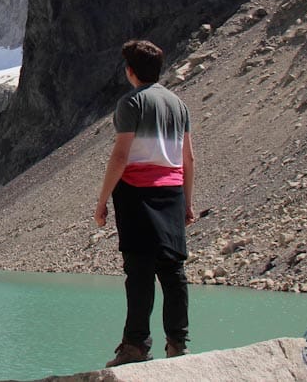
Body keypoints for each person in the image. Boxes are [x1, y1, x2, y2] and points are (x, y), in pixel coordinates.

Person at [94, 39, 196, 367]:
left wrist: (102, 200)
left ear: (130, 71)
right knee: (173, 270)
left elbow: (121, 155)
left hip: (137, 193)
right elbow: (188, 159)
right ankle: (178, 344)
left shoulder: (131, 103)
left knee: (139, 271)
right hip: (172, 193)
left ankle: (135, 345)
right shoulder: (179, 105)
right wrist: (188, 203)